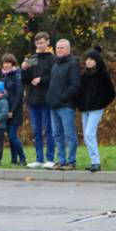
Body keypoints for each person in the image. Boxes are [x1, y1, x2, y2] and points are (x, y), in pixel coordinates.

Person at [76, 47, 116, 172]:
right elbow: (79, 92)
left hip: (96, 108)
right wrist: (79, 103)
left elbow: (111, 93)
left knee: (89, 134)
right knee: (87, 136)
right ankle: (94, 162)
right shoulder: (83, 75)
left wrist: (101, 103)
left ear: (97, 61)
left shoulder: (103, 75)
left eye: (91, 59)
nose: (88, 61)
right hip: (85, 109)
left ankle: (96, 162)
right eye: (87, 59)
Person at [21, 32, 56, 169]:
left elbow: (54, 78)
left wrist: (42, 80)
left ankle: (50, 158)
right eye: (37, 43)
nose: (40, 45)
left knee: (49, 130)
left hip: (47, 99)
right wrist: (23, 69)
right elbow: (25, 79)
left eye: (42, 42)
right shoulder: (33, 59)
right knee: (36, 130)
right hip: (33, 100)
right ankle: (39, 158)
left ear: (48, 42)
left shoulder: (52, 59)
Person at [46, 39, 80, 170]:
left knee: (69, 134)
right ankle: (61, 160)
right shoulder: (55, 64)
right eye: (57, 47)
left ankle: (71, 161)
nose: (59, 50)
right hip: (53, 106)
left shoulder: (73, 64)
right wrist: (50, 98)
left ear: (68, 49)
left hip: (66, 106)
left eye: (62, 48)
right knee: (56, 134)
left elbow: (75, 85)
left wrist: (63, 97)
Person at [1, 54, 26, 166]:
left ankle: (22, 158)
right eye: (4, 63)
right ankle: (13, 159)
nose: (5, 65)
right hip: (6, 110)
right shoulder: (6, 76)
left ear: (13, 63)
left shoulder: (17, 75)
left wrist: (12, 110)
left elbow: (19, 94)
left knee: (12, 135)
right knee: (10, 136)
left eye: (8, 62)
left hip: (15, 110)